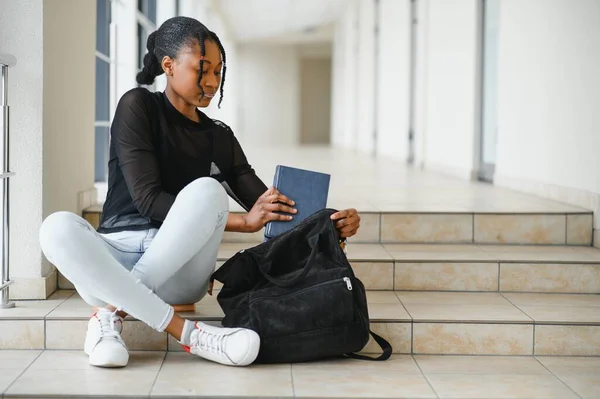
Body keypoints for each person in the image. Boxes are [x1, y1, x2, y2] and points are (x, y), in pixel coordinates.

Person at [39, 16, 361, 369]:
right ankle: (190, 334)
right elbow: (148, 200)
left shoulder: (218, 137)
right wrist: (242, 223)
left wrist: (329, 223)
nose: (211, 83)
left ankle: (111, 313)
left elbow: (273, 209)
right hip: (115, 256)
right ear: (169, 65)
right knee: (55, 228)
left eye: (218, 73)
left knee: (208, 192)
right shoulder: (138, 107)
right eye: (202, 70)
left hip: (180, 273)